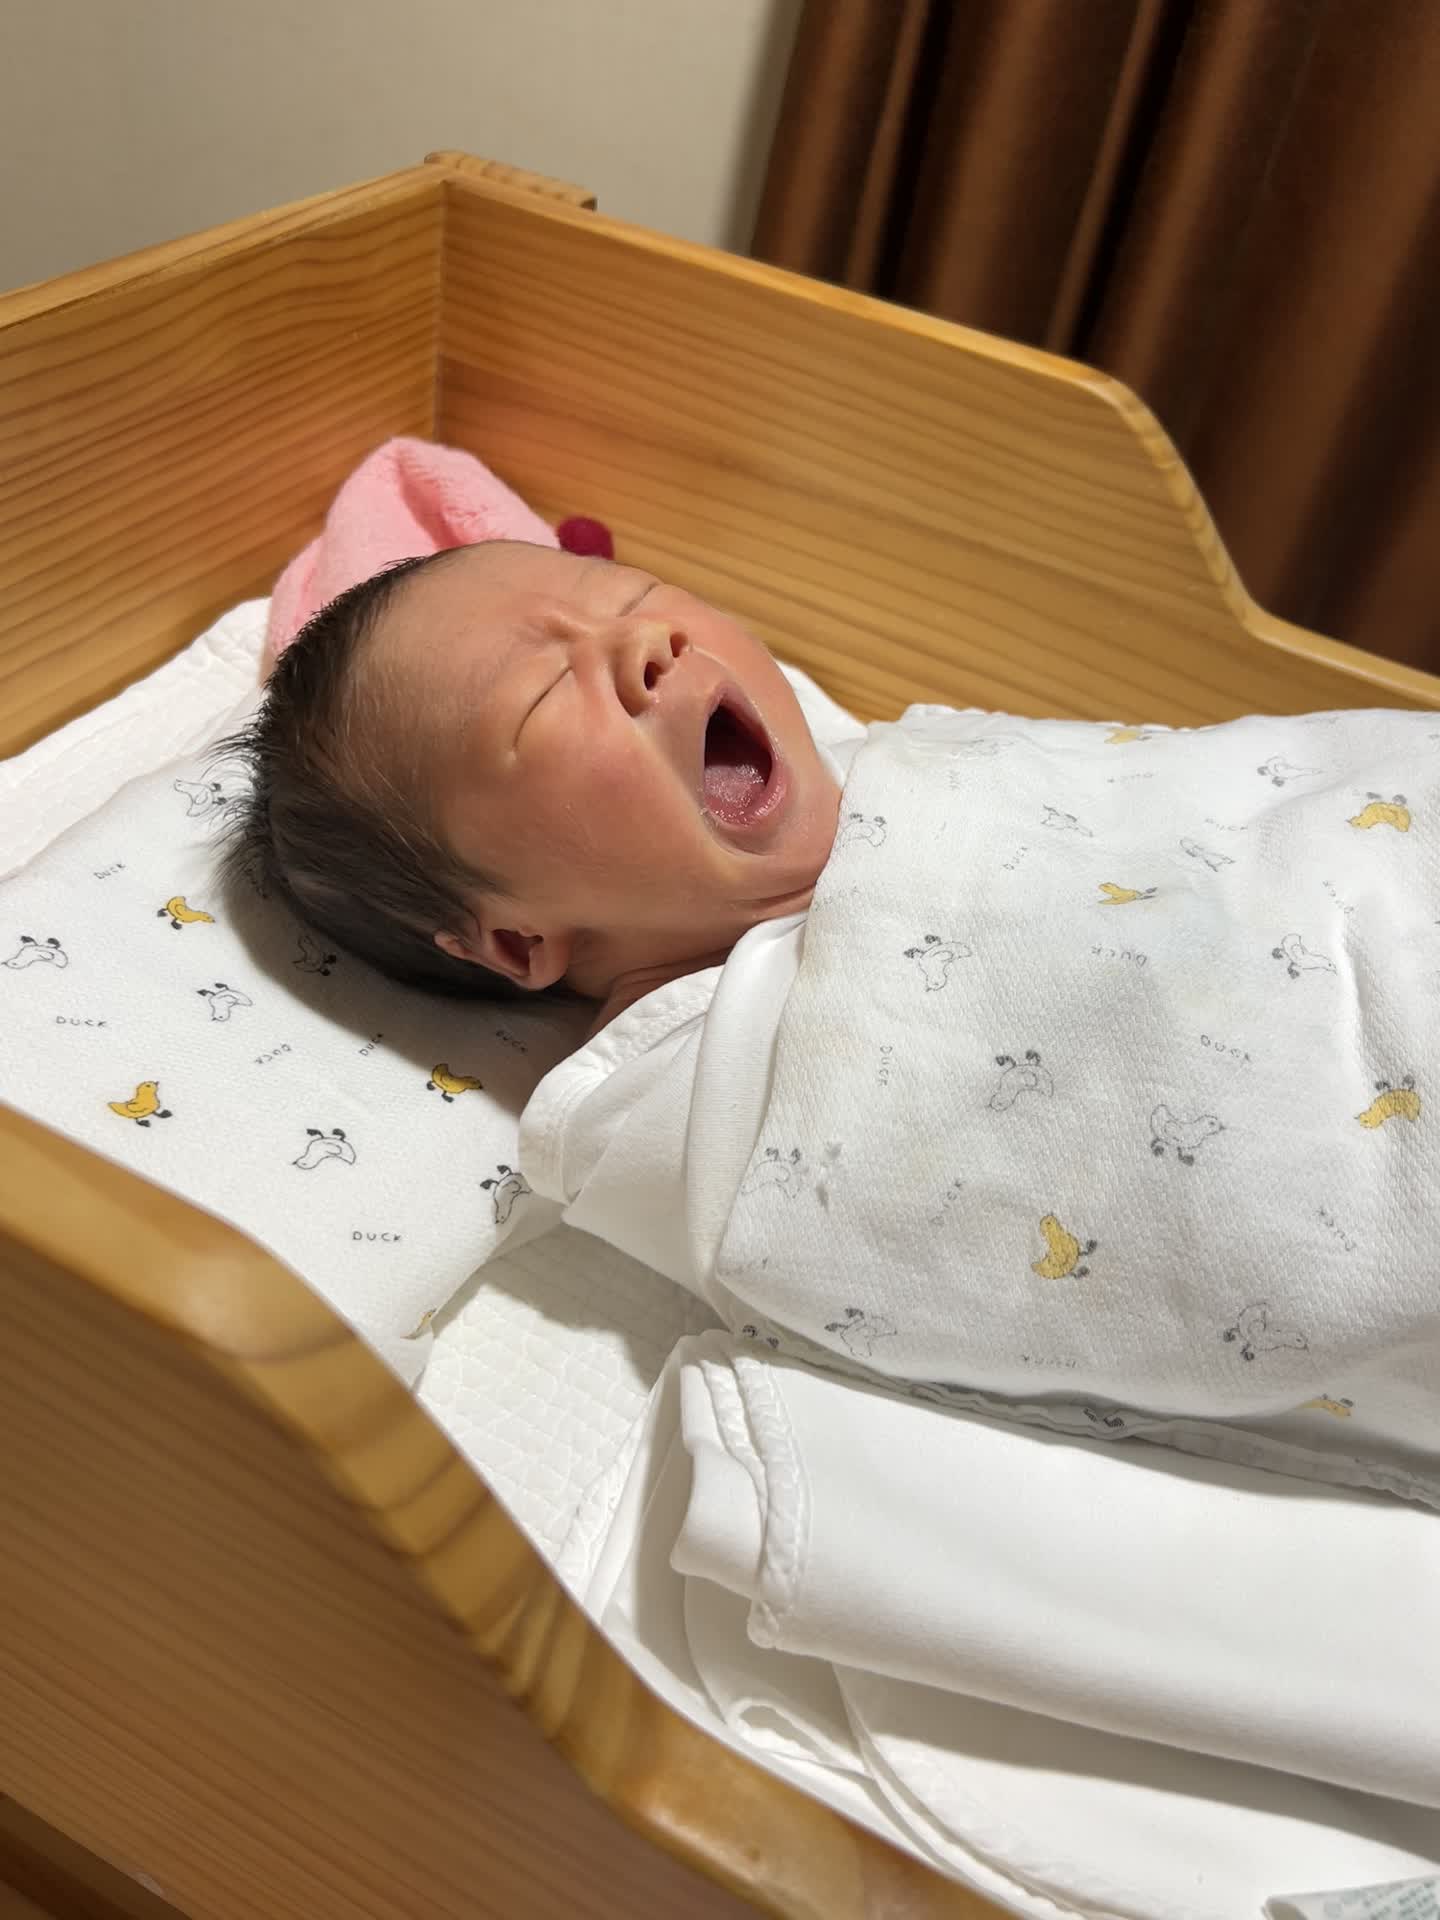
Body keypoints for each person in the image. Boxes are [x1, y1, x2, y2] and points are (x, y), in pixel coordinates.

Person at [225, 540, 1440, 1509]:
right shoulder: (710, 1104)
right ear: (515, 943)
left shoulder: (928, 774)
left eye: (625, 593)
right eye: (544, 693)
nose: (646, 642)